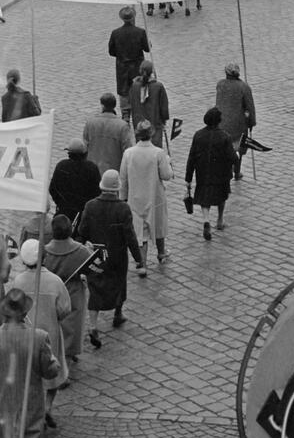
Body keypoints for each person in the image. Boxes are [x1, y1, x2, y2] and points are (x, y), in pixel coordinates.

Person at [0, 288, 60, 438]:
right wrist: (54, 361)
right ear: (25, 313)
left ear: (3, 313)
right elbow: (50, 372)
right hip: (31, 405)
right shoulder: (39, 337)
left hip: (1, 404)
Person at [75, 170, 143, 343]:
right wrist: (138, 258)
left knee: (95, 289)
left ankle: (93, 325)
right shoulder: (123, 208)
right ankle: (118, 314)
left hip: (96, 255)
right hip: (117, 256)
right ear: (117, 189)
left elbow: (82, 232)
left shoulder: (90, 206)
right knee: (119, 284)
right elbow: (130, 236)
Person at [9, 240, 71, 429]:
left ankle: (32, 411)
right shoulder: (55, 281)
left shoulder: (18, 281)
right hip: (50, 333)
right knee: (52, 374)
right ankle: (47, 408)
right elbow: (65, 309)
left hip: (25, 335)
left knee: (30, 373)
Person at [120, 121, 173, 270]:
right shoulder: (158, 153)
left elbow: (123, 178)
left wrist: (122, 197)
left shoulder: (128, 153)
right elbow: (166, 175)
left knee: (139, 231)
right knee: (158, 224)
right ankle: (161, 253)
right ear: (151, 134)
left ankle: (142, 262)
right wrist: (168, 162)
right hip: (155, 196)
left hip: (135, 197)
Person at [42, 214, 93, 366]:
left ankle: (55, 351)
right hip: (73, 292)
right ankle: (69, 355)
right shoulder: (80, 251)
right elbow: (93, 266)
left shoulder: (45, 251)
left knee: (53, 322)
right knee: (73, 325)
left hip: (52, 292)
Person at [185, 107, 236, 240]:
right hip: (221, 173)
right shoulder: (225, 136)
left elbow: (191, 157)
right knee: (221, 195)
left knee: (205, 196)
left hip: (203, 171)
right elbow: (231, 157)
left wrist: (188, 177)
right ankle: (219, 219)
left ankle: (206, 220)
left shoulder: (198, 135)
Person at [214, 62, 257, 181]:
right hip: (239, 124)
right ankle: (236, 172)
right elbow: (250, 107)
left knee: (224, 148)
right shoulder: (244, 87)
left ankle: (225, 171)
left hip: (221, 122)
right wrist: (251, 122)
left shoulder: (220, 85)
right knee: (238, 149)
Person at [108, 5, 150, 121]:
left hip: (122, 67)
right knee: (140, 87)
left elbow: (111, 52)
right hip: (137, 66)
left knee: (123, 90)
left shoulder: (115, 33)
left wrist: (121, 55)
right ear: (133, 18)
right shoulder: (140, 32)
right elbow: (147, 49)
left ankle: (126, 114)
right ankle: (140, 110)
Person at [49, 138, 103, 223]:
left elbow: (52, 189)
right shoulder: (92, 168)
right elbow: (97, 193)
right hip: (85, 214)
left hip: (64, 212)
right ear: (85, 154)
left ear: (69, 153)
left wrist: (61, 204)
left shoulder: (61, 166)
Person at [83, 92, 135, 175]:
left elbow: (85, 147)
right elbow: (128, 150)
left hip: (92, 169)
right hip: (114, 171)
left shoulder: (90, 123)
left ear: (102, 106)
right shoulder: (122, 126)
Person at [126, 59, 169, 146]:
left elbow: (130, 102)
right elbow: (164, 106)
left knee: (141, 146)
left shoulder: (134, 86)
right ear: (151, 71)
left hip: (139, 123)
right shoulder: (158, 86)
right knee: (155, 148)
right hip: (155, 122)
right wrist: (164, 119)